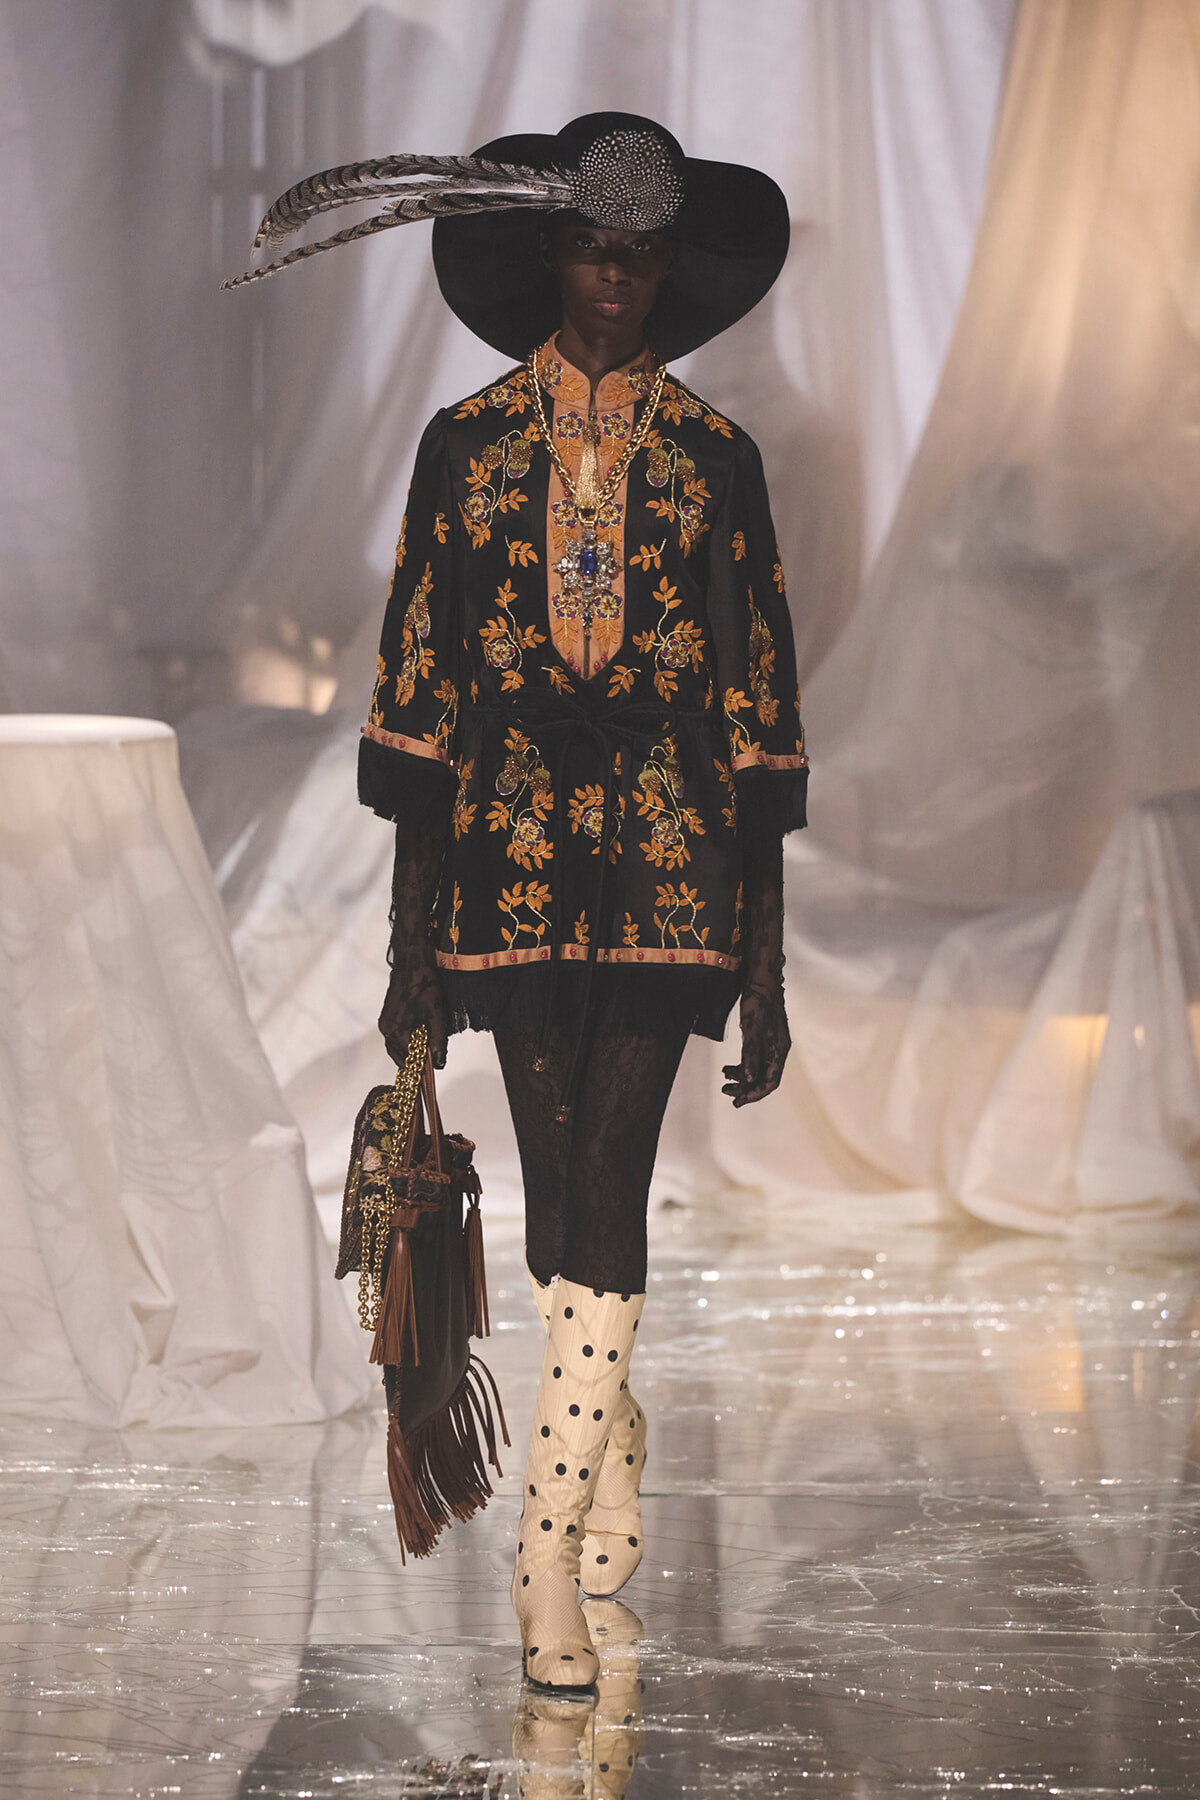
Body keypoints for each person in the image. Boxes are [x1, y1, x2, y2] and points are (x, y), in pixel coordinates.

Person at [226, 113, 807, 1692]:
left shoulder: (716, 462)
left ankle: (540, 1553)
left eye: (639, 256)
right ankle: (604, 1417)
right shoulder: (464, 449)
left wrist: (766, 965)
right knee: (560, 1189)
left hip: (678, 867)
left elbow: (758, 711)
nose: (614, 281)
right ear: (549, 254)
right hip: (510, 861)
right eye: (589, 248)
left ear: (666, 271)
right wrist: (412, 958)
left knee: (611, 1183)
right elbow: (420, 714)